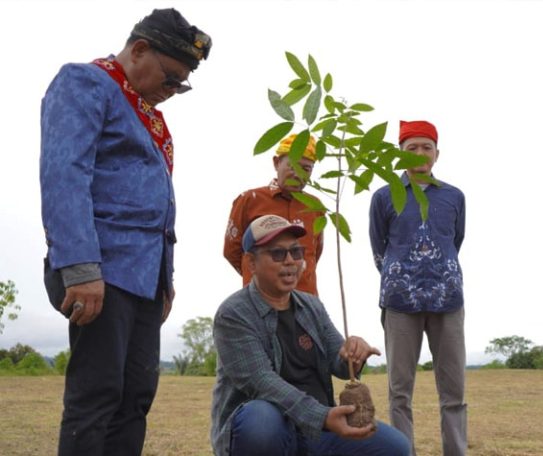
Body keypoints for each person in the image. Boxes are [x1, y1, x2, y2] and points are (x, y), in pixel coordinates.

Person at [39, 8, 211, 456]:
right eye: (171, 77)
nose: (172, 91)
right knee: (96, 394)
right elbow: (65, 174)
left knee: (135, 396)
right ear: (138, 50)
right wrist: (79, 269)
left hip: (144, 278)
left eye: (182, 85)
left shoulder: (146, 115)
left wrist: (164, 279)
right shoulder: (86, 83)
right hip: (102, 267)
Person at [211, 214, 410, 456]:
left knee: (396, 447)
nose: (290, 261)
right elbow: (262, 382)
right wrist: (323, 416)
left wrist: (354, 353)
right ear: (251, 263)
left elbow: (338, 359)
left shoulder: (311, 305)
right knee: (260, 420)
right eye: (277, 253)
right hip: (278, 429)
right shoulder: (233, 314)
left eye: (296, 252)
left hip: (317, 431)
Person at [369, 120, 467, 455]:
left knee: (454, 393)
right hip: (399, 303)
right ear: (400, 154)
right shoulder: (384, 197)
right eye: (411, 148)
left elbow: (455, 240)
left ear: (437, 153)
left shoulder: (454, 196)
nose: (420, 154)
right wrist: (403, 276)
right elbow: (379, 248)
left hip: (448, 301)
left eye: (426, 147)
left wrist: (438, 271)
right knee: (399, 393)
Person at [224, 134, 324, 295]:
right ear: (277, 163)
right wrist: (263, 276)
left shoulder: (315, 207)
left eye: (306, 169)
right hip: (259, 301)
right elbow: (232, 251)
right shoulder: (249, 200)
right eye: (292, 166)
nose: (298, 175)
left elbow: (314, 253)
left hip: (307, 301)